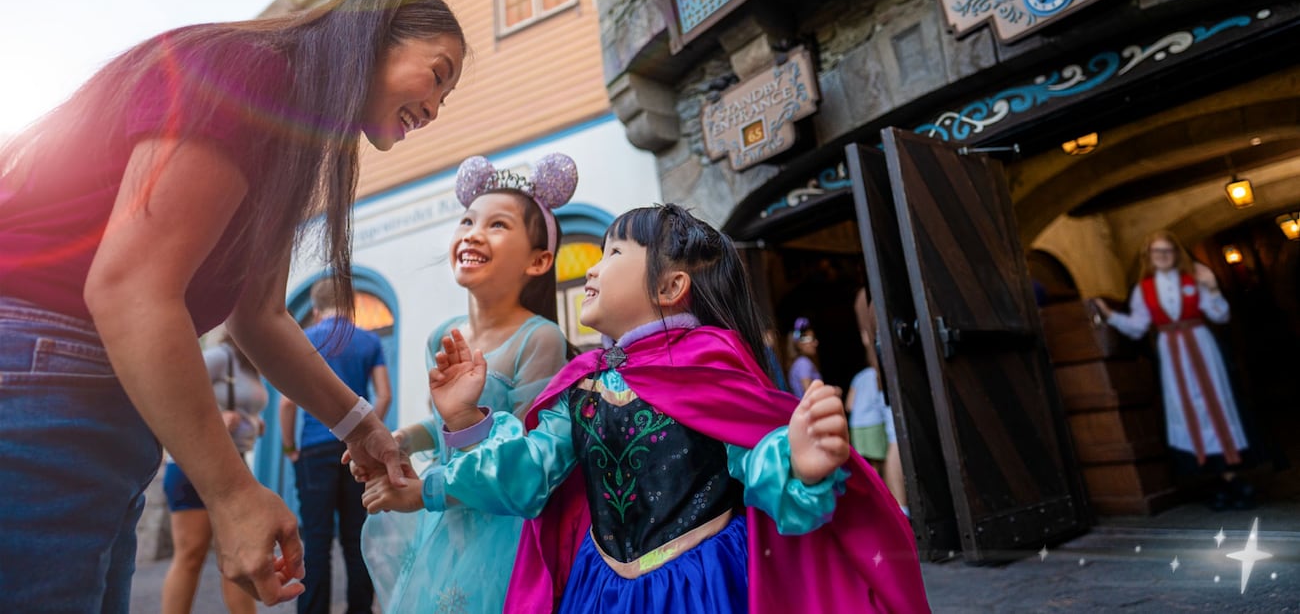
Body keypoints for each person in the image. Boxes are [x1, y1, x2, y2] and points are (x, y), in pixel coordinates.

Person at [0, 0, 458, 611]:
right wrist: (233, 493)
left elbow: (260, 314)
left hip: (82, 394)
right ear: (378, 34)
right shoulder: (252, 72)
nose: (437, 109)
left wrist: (361, 427)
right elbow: (131, 288)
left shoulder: (292, 136)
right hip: (42, 376)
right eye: (438, 75)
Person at [362, 204, 930, 613]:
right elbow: (528, 473)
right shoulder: (581, 383)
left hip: (702, 585)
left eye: (612, 253)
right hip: (600, 589)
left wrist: (795, 463)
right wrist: (466, 420)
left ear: (670, 286)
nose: (590, 267)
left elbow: (752, 460)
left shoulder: (709, 366)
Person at [359, 153, 577, 612]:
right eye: (467, 220)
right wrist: (399, 438)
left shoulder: (539, 338)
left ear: (538, 261)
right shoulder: (443, 335)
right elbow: (441, 425)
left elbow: (519, 455)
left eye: (497, 225)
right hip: (443, 522)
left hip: (499, 525)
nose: (473, 232)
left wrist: (426, 492)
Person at [1093, 230, 1255, 510]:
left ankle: (1232, 479)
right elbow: (1137, 326)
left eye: (1168, 251)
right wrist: (1110, 316)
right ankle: (1217, 481)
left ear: (1176, 253)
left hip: (1202, 347)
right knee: (1187, 408)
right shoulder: (1143, 290)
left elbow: (1221, 315)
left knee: (1214, 405)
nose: (1163, 257)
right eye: (1157, 252)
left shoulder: (1194, 279)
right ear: (1149, 257)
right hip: (1171, 352)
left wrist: (1213, 287)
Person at [280, 279, 392, 614]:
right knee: (356, 538)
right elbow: (384, 394)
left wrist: (290, 449)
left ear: (315, 311)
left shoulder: (304, 339)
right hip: (357, 451)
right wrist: (366, 432)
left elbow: (287, 404)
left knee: (316, 540)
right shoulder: (369, 340)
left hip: (314, 450)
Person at [161, 325, 268, 614]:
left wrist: (253, 422)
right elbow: (172, 387)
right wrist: (217, 417)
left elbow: (245, 407)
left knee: (236, 558)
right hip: (193, 466)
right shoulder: (222, 356)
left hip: (235, 464)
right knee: (191, 555)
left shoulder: (253, 365)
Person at [852, 287, 909, 517]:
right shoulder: (872, 292)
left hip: (879, 369)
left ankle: (899, 507)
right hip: (888, 369)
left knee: (891, 441)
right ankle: (902, 509)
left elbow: (866, 339)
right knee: (896, 437)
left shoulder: (861, 298)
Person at [785, 316, 822, 398]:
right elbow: (810, 394)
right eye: (811, 339)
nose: (816, 343)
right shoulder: (803, 363)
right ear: (800, 344)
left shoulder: (799, 362)